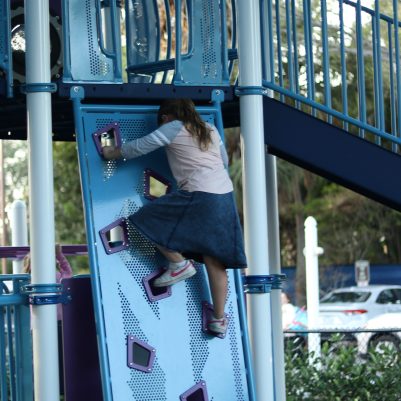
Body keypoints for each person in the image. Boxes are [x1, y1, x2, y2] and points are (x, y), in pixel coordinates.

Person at [103, 98, 247, 336]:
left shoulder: (174, 126)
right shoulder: (209, 129)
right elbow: (224, 161)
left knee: (145, 219)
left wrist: (113, 152)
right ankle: (219, 319)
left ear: (166, 117)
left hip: (199, 194)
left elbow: (140, 146)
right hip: (224, 198)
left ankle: (178, 264)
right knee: (215, 259)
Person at [23, 244, 73, 394]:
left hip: (52, 325)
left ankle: (56, 389)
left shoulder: (52, 276)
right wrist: (59, 255)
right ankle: (53, 389)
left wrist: (58, 255)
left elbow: (67, 274)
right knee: (51, 359)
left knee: (55, 358)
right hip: (46, 325)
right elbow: (68, 273)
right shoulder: (32, 279)